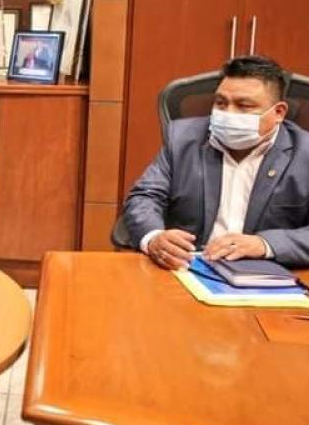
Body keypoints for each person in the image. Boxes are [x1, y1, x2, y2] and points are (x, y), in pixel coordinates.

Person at [123, 56, 309, 270]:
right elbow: (144, 197)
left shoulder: (304, 153)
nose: (228, 113)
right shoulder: (183, 139)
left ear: (279, 112)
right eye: (221, 103)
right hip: (188, 267)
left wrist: (265, 244)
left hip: (268, 273)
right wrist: (154, 237)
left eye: (243, 106)